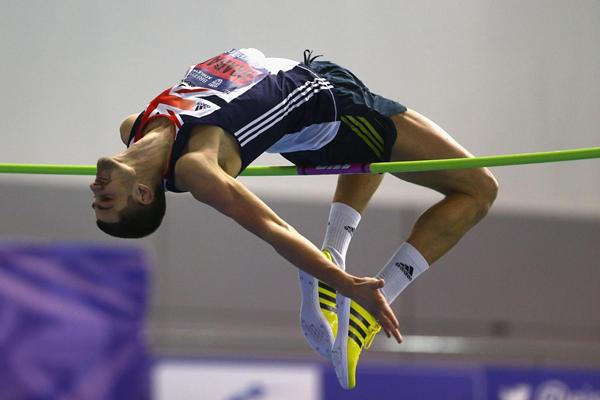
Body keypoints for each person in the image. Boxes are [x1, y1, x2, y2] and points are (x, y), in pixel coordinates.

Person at [90, 48, 498, 389]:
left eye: (97, 199)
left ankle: (333, 257)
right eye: (107, 200)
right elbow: (273, 228)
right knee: (479, 190)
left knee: (370, 153)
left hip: (312, 89)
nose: (95, 191)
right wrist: (348, 285)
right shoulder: (198, 169)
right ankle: (370, 304)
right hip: (329, 105)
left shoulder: (135, 128)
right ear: (143, 193)